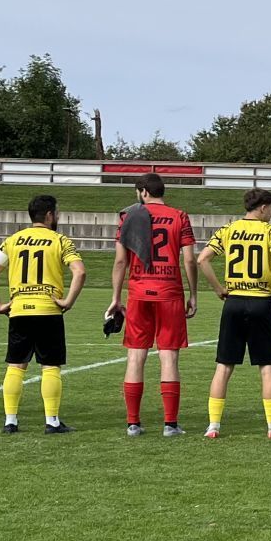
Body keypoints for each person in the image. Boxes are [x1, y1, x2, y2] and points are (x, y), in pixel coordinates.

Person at [0, 194, 86, 433]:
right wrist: (68, 301)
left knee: (16, 365)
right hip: (48, 309)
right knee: (50, 366)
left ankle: (10, 421)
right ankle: (51, 421)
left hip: (19, 309)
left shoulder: (13, 240)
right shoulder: (60, 240)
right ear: (50, 214)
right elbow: (79, 272)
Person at [198, 187, 271, 440]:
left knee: (224, 366)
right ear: (262, 207)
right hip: (261, 301)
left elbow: (202, 259)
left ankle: (213, 425)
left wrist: (219, 289)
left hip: (234, 301)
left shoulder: (229, 229)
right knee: (268, 366)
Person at [109, 171, 196, 436]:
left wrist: (115, 298)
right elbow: (190, 260)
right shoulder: (180, 216)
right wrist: (193, 294)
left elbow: (120, 261)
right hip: (169, 292)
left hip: (138, 291)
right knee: (168, 355)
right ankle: (170, 424)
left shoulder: (128, 217)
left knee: (136, 355)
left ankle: (133, 423)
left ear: (144, 192)